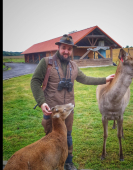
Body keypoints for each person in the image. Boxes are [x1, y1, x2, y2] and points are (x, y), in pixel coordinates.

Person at [31, 34, 115, 170]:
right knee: (51, 138)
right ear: (59, 47)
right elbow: (35, 82)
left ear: (72, 51)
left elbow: (86, 79)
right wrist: (41, 102)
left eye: (69, 49)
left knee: (68, 136)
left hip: (68, 110)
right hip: (52, 111)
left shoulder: (74, 66)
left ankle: (68, 162)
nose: (66, 51)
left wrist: (104, 79)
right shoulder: (46, 63)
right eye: (64, 48)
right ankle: (51, 163)